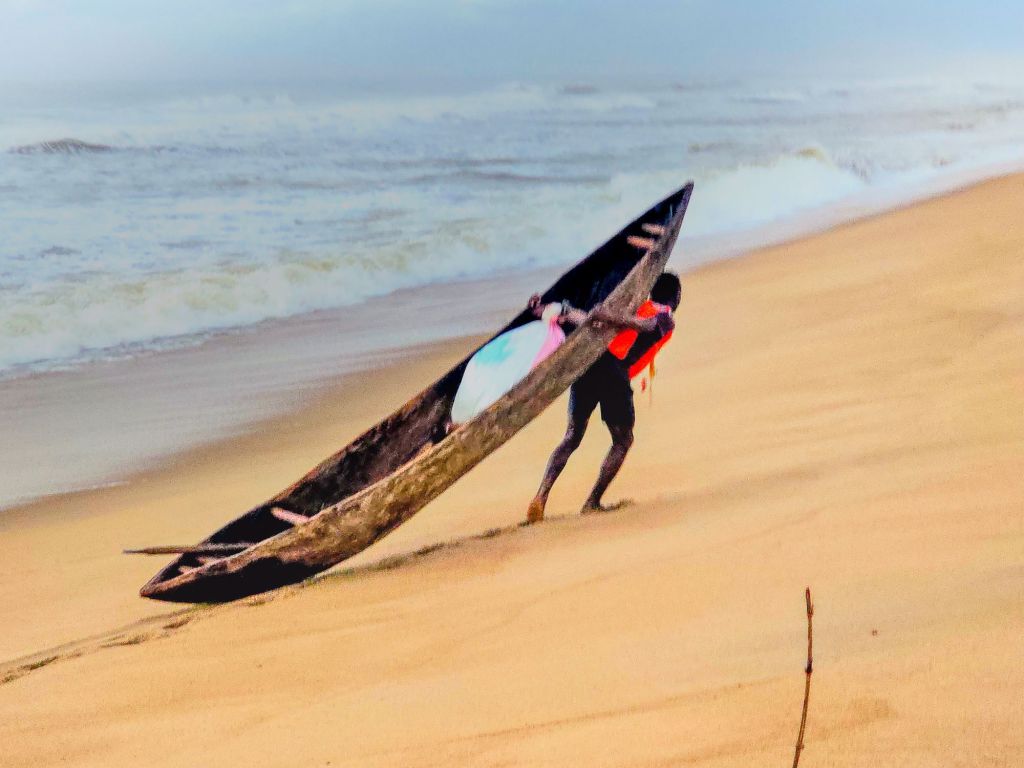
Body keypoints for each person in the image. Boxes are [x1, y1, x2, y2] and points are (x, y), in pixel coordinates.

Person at [525, 271, 682, 523]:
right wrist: (607, 316)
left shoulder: (635, 306)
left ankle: (541, 496)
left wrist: (549, 310)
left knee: (572, 436)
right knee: (623, 440)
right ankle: (592, 502)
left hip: (590, 364)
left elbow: (590, 318)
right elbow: (648, 326)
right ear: (676, 297)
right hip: (614, 373)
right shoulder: (665, 317)